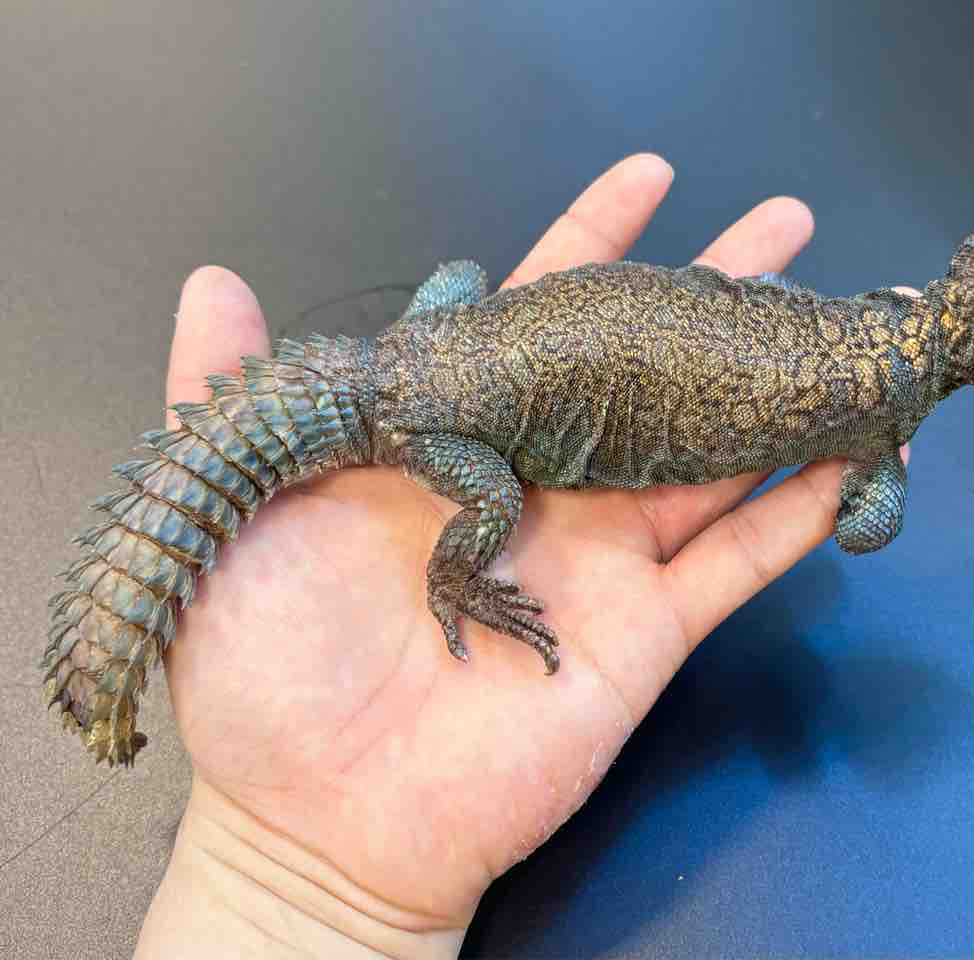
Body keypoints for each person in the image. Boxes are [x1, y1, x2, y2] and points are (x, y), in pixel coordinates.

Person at [135, 153, 908, 958]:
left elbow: (461, 277)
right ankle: (451, 579)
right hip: (421, 413)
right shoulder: (875, 386)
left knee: (466, 281)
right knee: (497, 498)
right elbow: (863, 519)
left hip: (415, 351)